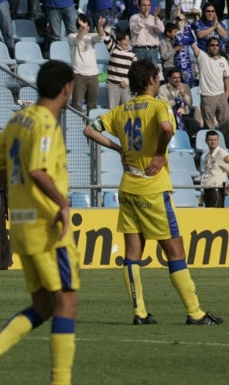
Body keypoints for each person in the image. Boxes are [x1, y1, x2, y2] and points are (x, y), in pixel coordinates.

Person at [83, 59, 223, 326]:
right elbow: (167, 128)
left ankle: (140, 312)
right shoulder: (159, 106)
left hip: (128, 188)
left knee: (133, 252)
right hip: (153, 189)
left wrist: (117, 149)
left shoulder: (122, 110)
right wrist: (159, 155)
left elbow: (88, 128)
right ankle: (194, 312)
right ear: (150, 80)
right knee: (175, 249)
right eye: (157, 78)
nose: (159, 81)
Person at [0, 60, 81, 385]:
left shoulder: (19, 121)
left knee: (44, 305)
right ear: (67, 88)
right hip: (47, 228)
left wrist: (21, 193)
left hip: (22, 225)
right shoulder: (45, 123)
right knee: (66, 300)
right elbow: (37, 170)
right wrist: (61, 204)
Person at [191, 38, 229, 142]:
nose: (215, 47)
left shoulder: (223, 60)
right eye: (212, 45)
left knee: (225, 124)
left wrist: (227, 92)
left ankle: (225, 146)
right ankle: (210, 147)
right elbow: (194, 48)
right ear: (207, 47)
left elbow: (226, 77)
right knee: (209, 126)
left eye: (217, 45)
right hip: (207, 97)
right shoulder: (203, 57)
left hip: (221, 95)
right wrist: (191, 41)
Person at [69, 14, 106, 113]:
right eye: (84, 26)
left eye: (88, 26)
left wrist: (99, 26)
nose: (87, 28)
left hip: (93, 75)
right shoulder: (71, 36)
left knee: (92, 106)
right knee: (77, 105)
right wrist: (82, 29)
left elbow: (102, 38)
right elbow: (77, 40)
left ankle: (90, 127)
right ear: (78, 26)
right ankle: (76, 127)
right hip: (78, 74)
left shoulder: (91, 36)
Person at [158, 67, 202, 142]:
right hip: (170, 116)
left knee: (195, 124)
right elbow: (164, 105)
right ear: (169, 78)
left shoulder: (185, 87)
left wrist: (184, 94)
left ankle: (184, 140)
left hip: (183, 116)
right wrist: (176, 100)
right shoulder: (163, 88)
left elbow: (190, 103)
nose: (177, 80)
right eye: (175, 78)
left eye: (179, 77)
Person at [104, 30, 136, 109]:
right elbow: (106, 38)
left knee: (127, 110)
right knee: (112, 110)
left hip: (126, 86)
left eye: (128, 40)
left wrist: (127, 82)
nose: (127, 42)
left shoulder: (132, 54)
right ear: (118, 41)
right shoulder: (113, 49)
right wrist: (105, 25)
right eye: (125, 40)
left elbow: (135, 72)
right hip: (112, 84)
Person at [130, 0, 164, 66]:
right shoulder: (134, 18)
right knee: (139, 74)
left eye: (148, 5)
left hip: (152, 51)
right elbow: (135, 30)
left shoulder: (154, 18)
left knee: (152, 74)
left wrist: (156, 18)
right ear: (139, 6)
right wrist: (144, 19)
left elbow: (161, 30)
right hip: (139, 50)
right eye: (144, 5)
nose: (146, 7)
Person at [201, 130, 229, 207]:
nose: (213, 142)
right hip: (207, 190)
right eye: (210, 140)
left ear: (218, 140)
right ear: (206, 141)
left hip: (216, 190)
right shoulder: (207, 156)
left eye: (215, 140)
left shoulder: (222, 154)